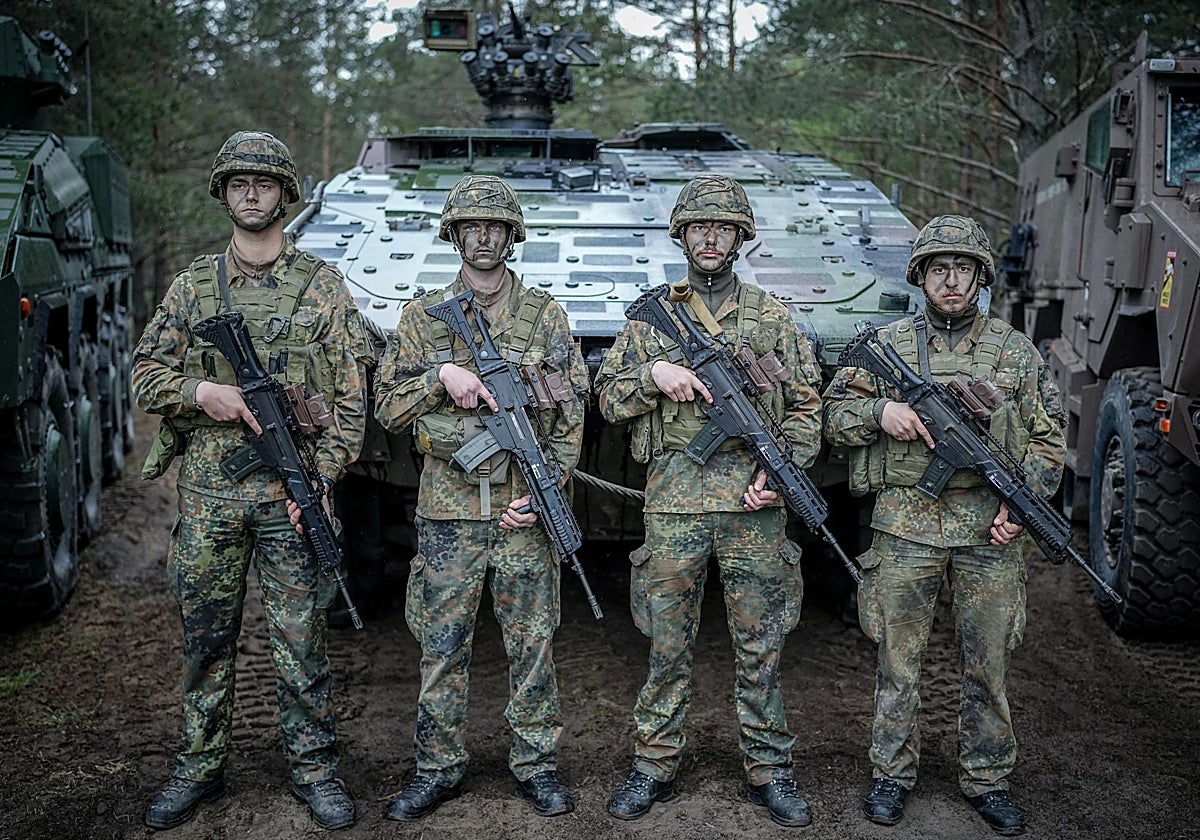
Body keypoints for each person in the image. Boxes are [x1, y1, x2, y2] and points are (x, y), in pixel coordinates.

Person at [131, 131, 370, 831]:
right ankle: (197, 767)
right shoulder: (195, 285)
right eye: (239, 184)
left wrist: (320, 481)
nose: (252, 194)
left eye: (264, 184)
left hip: (291, 498)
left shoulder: (322, 286)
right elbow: (147, 374)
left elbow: (351, 400)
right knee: (206, 636)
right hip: (210, 494)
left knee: (302, 639)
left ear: (285, 194)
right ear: (224, 194)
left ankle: (315, 769)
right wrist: (202, 391)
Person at [822, 215, 1066, 836]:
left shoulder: (1013, 351)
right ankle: (891, 774)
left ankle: (987, 777)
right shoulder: (889, 346)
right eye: (938, 269)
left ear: (980, 277)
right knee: (897, 662)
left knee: (987, 663)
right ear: (920, 278)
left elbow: (1046, 442)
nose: (950, 280)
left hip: (988, 532)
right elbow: (834, 418)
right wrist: (883, 410)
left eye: (962, 269)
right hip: (905, 527)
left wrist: (1022, 504)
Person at [594, 174, 823, 828]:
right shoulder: (652, 318)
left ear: (740, 237)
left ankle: (769, 767)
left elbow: (808, 410)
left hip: (756, 508)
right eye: (700, 227)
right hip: (674, 505)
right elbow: (609, 400)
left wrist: (783, 473)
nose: (711, 237)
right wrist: (652, 374)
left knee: (761, 644)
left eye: (723, 227)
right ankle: (654, 763)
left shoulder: (772, 319)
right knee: (667, 644)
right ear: (683, 236)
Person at [373, 174, 590, 821]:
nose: (485, 236)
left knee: (532, 645)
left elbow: (571, 411)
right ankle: (437, 768)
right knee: (441, 646)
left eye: (496, 226)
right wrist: (442, 376)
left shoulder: (545, 314)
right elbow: (387, 405)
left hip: (522, 510)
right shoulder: (422, 317)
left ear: (511, 235)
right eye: (472, 226)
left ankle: (536, 764)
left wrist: (545, 491)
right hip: (449, 512)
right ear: (455, 234)